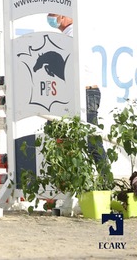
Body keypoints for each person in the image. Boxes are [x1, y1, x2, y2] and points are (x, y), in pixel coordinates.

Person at [46, 13, 112, 186]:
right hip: (79, 92)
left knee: (92, 142)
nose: (50, 18)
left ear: (64, 15)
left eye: (53, 14)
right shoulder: (69, 34)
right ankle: (73, 183)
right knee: (63, 136)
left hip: (85, 93)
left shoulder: (73, 34)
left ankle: (106, 183)